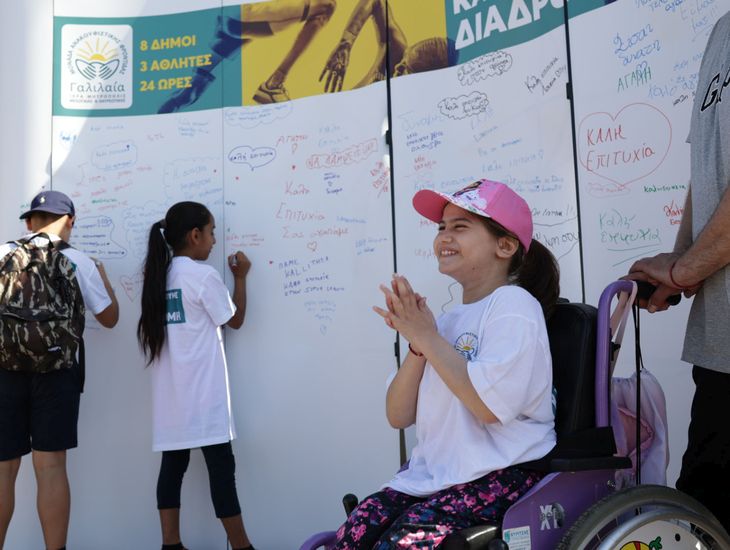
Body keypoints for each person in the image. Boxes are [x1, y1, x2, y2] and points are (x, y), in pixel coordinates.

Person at [332, 179, 560, 548]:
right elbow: (398, 415)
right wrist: (418, 343)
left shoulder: (515, 305)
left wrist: (427, 336)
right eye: (441, 227)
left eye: (460, 226)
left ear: (505, 246)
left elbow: (488, 407)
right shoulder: (447, 322)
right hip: (434, 478)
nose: (444, 237)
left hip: (501, 475)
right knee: (353, 533)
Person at [626, 11, 730, 533]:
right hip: (721, 343)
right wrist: (679, 265)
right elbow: (707, 169)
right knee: (701, 522)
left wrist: (686, 268)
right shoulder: (721, 32)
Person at [0, 190, 119, 550]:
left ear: (28, 222)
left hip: (5, 369)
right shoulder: (78, 261)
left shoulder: (3, 254)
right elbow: (110, 318)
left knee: (3, 469)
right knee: (50, 467)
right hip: (57, 369)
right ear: (70, 221)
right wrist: (102, 275)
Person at [137, 201, 254, 550]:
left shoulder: (159, 277)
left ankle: (170, 544)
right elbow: (234, 319)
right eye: (212, 232)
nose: (215, 240)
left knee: (172, 467)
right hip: (204, 396)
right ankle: (242, 546)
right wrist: (241, 278)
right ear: (194, 235)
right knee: (222, 471)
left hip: (170, 397)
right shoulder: (203, 276)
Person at [158, 0, 336, 112]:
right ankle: (275, 83)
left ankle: (164, 124)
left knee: (188, 94)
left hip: (229, 17)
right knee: (326, 6)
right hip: (244, 14)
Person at [320, 0, 457, 93]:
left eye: (406, 69)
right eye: (404, 59)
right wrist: (346, 42)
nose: (397, 67)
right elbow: (377, 2)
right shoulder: (396, 51)